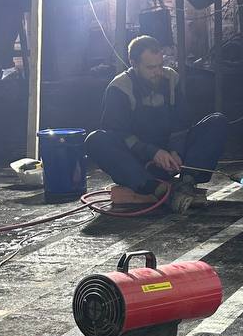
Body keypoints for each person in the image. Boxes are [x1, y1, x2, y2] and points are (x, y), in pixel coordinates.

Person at [86, 35, 228, 213]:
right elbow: (118, 133)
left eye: (160, 65)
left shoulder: (171, 78)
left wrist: (176, 151)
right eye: (151, 68)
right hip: (138, 162)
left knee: (217, 122)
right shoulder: (119, 88)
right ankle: (159, 190)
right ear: (134, 63)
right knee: (96, 140)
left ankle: (186, 184)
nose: (158, 72)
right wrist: (152, 152)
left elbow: (181, 121)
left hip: (170, 158)